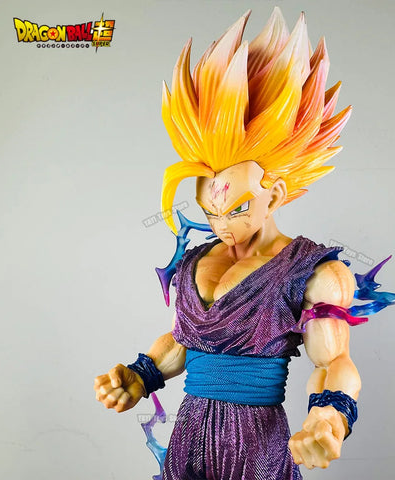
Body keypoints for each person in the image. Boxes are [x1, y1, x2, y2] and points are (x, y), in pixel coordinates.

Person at [94, 8, 360, 479]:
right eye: (209, 210)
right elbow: (183, 340)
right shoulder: (194, 260)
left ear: (274, 194)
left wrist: (330, 417)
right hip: (188, 441)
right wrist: (140, 374)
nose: (221, 224)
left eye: (236, 208)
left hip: (257, 445)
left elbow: (334, 360)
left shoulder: (316, 272)